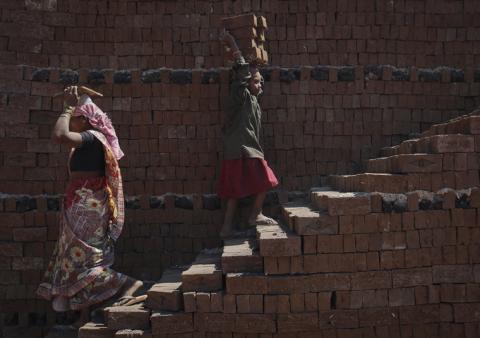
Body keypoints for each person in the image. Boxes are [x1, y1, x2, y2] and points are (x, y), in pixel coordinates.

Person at [37, 86, 142, 325]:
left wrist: (67, 107)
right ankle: (84, 314)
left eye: (73, 118)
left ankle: (128, 284)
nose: (70, 122)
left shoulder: (91, 138)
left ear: (84, 119)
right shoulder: (90, 141)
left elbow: (59, 136)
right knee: (81, 258)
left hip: (88, 207)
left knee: (85, 260)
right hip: (84, 204)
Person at [217, 30, 279, 238]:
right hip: (239, 148)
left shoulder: (253, 101)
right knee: (265, 179)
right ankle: (254, 215)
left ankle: (228, 226)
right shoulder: (239, 95)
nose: (259, 85)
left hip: (246, 149)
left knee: (236, 190)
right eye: (256, 82)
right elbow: (243, 75)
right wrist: (234, 46)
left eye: (261, 82)